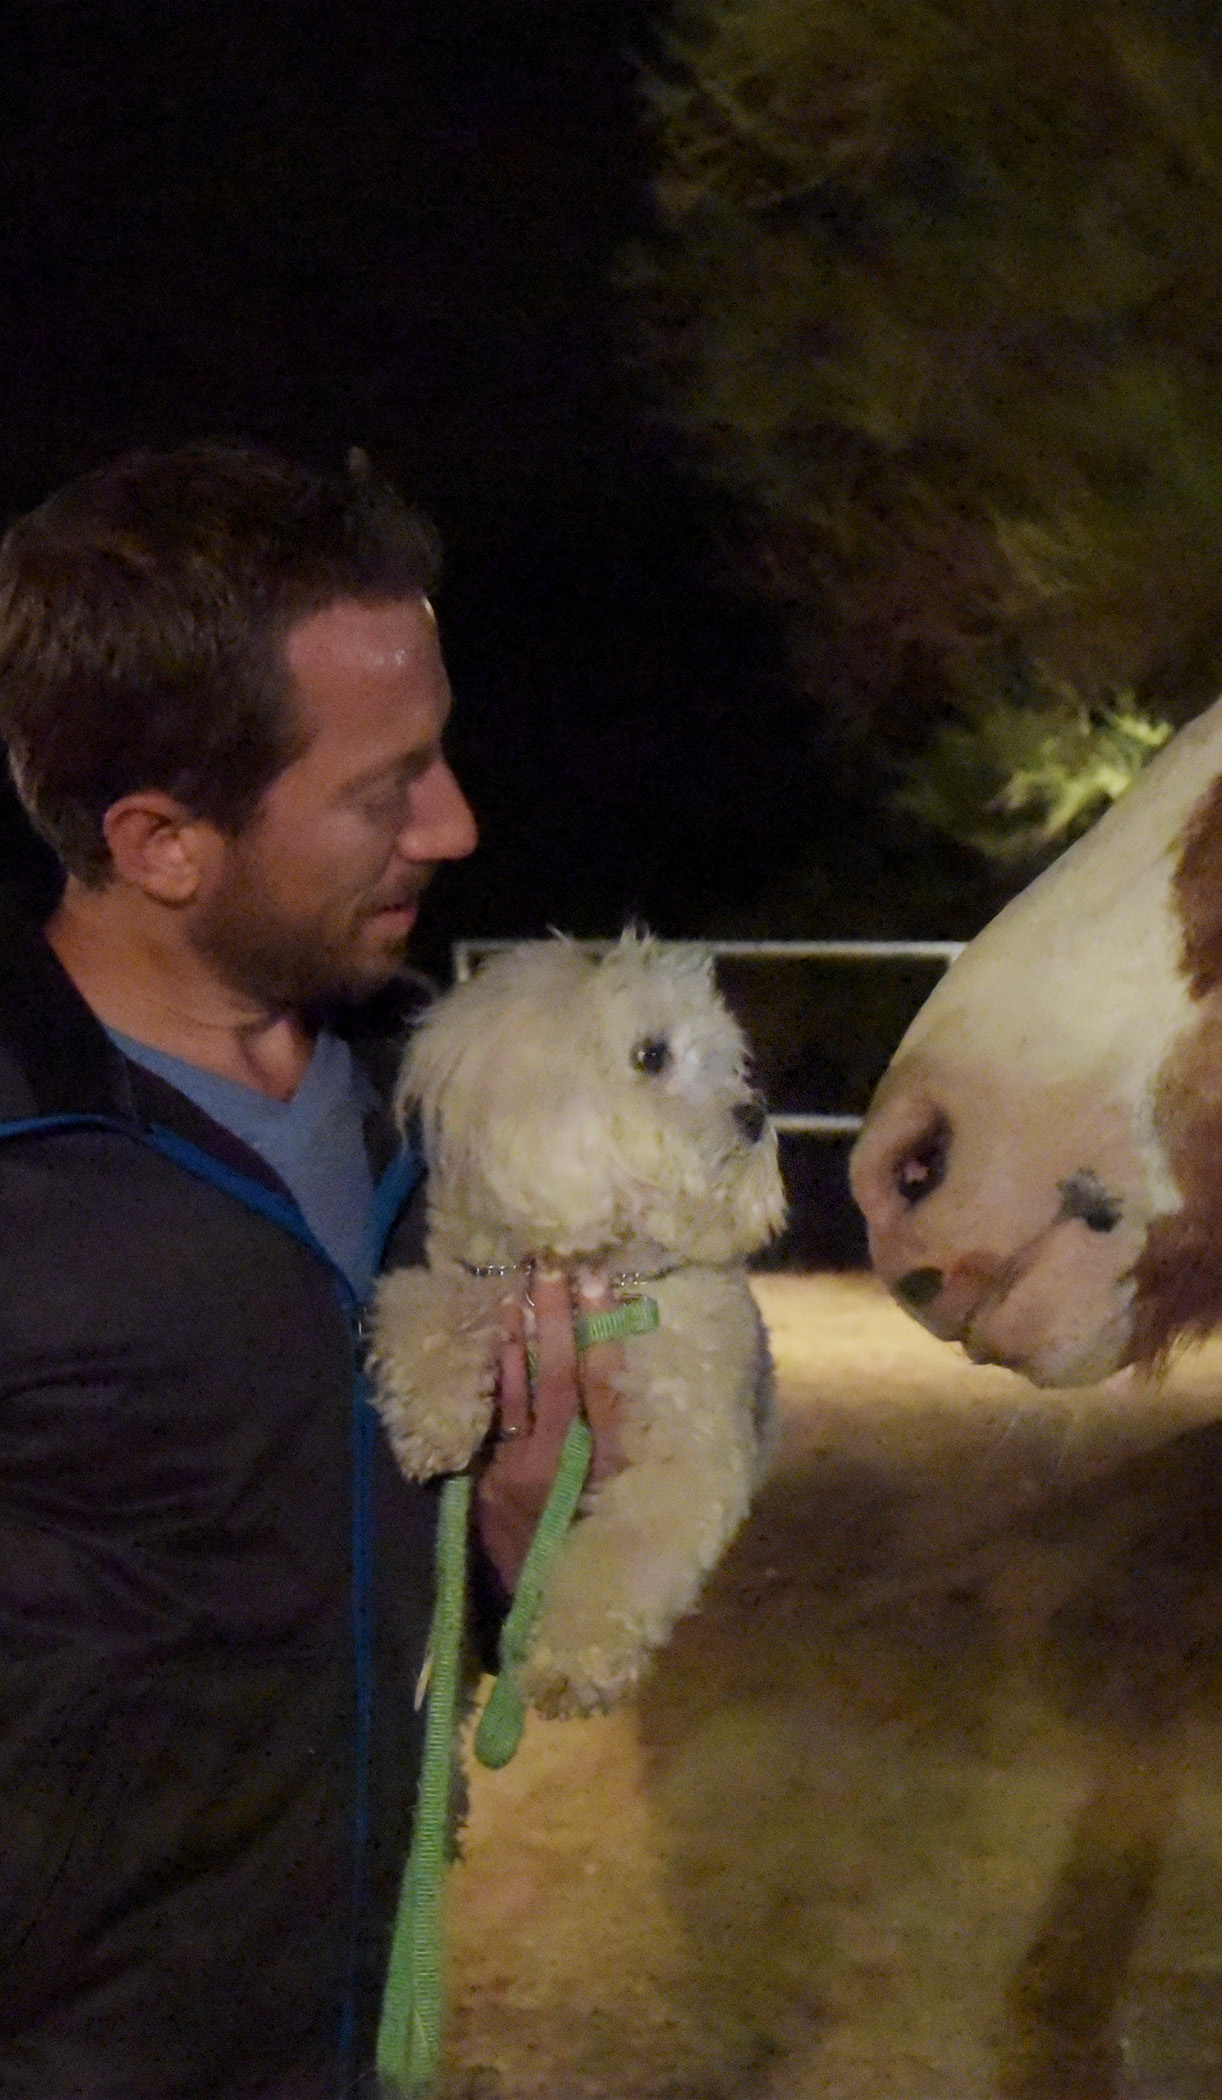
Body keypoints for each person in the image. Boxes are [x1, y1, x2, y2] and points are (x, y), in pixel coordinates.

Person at [0, 442, 619, 2099]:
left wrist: (506, 1543)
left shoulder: (452, 1124)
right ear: (164, 840)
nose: (456, 822)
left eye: (440, 755)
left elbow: (361, 1600)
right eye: (380, 789)